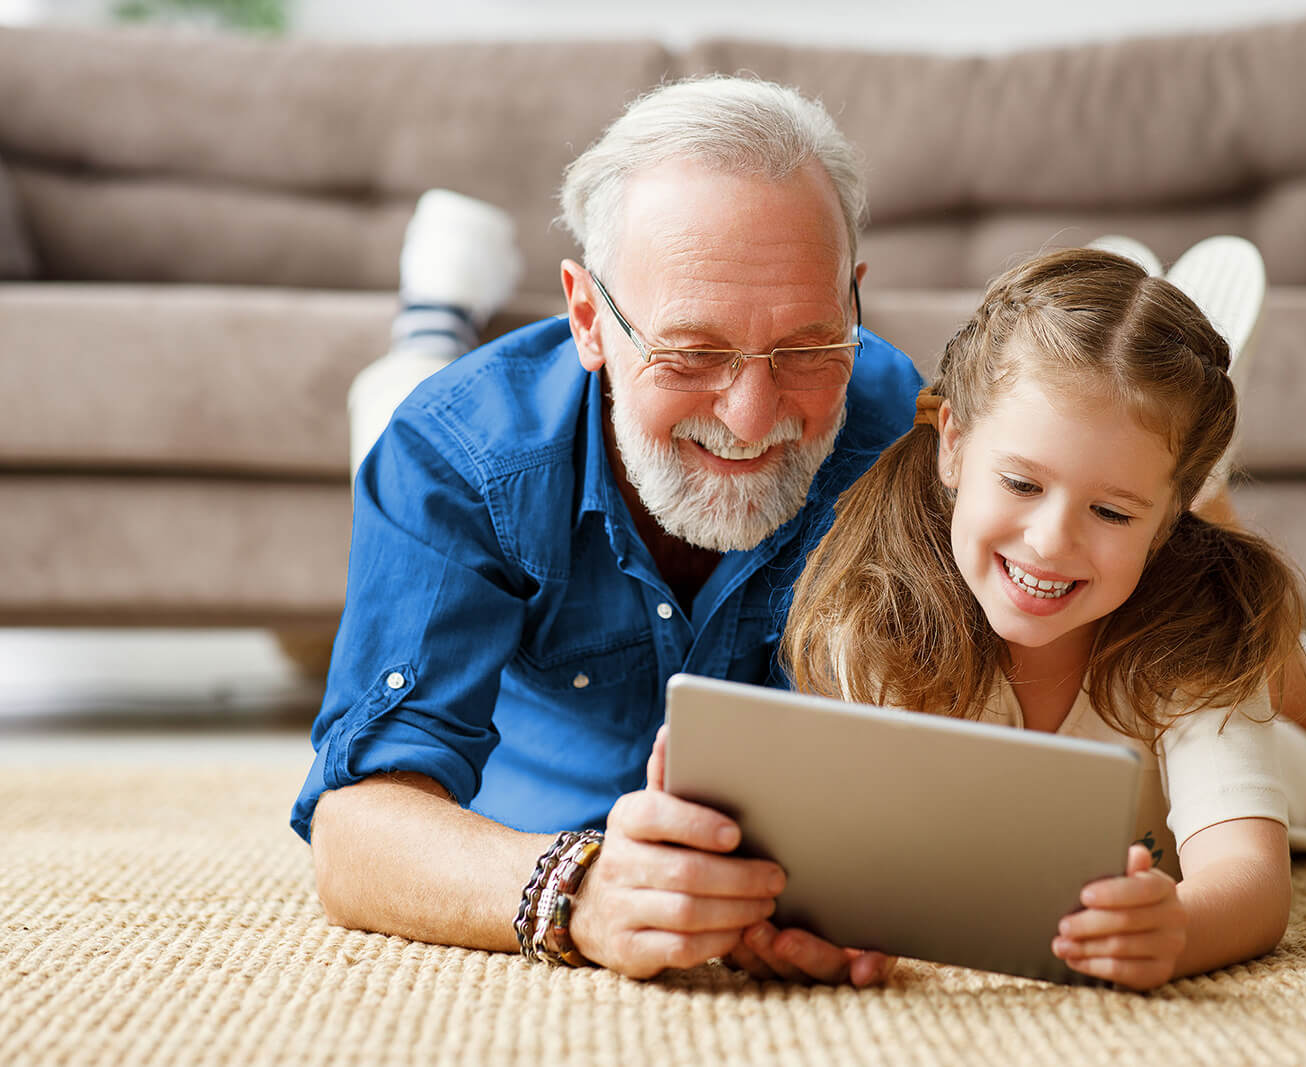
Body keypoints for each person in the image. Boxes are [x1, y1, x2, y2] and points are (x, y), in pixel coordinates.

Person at [293, 75, 916, 985]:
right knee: (395, 402)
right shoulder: (453, 453)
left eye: (805, 347)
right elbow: (356, 830)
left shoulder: (906, 435)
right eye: (693, 353)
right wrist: (575, 891)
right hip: (472, 434)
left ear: (853, 301)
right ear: (587, 317)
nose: (750, 417)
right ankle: (434, 315)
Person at [782, 247, 1306, 990]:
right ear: (951, 443)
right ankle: (1155, 453)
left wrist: (1181, 928)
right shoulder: (880, 614)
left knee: (1290, 754)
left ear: (1162, 524)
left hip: (1264, 720)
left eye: (1110, 509)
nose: (1052, 539)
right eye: (1021, 482)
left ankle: (1203, 490)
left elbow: (1251, 879)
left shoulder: (1199, 639)